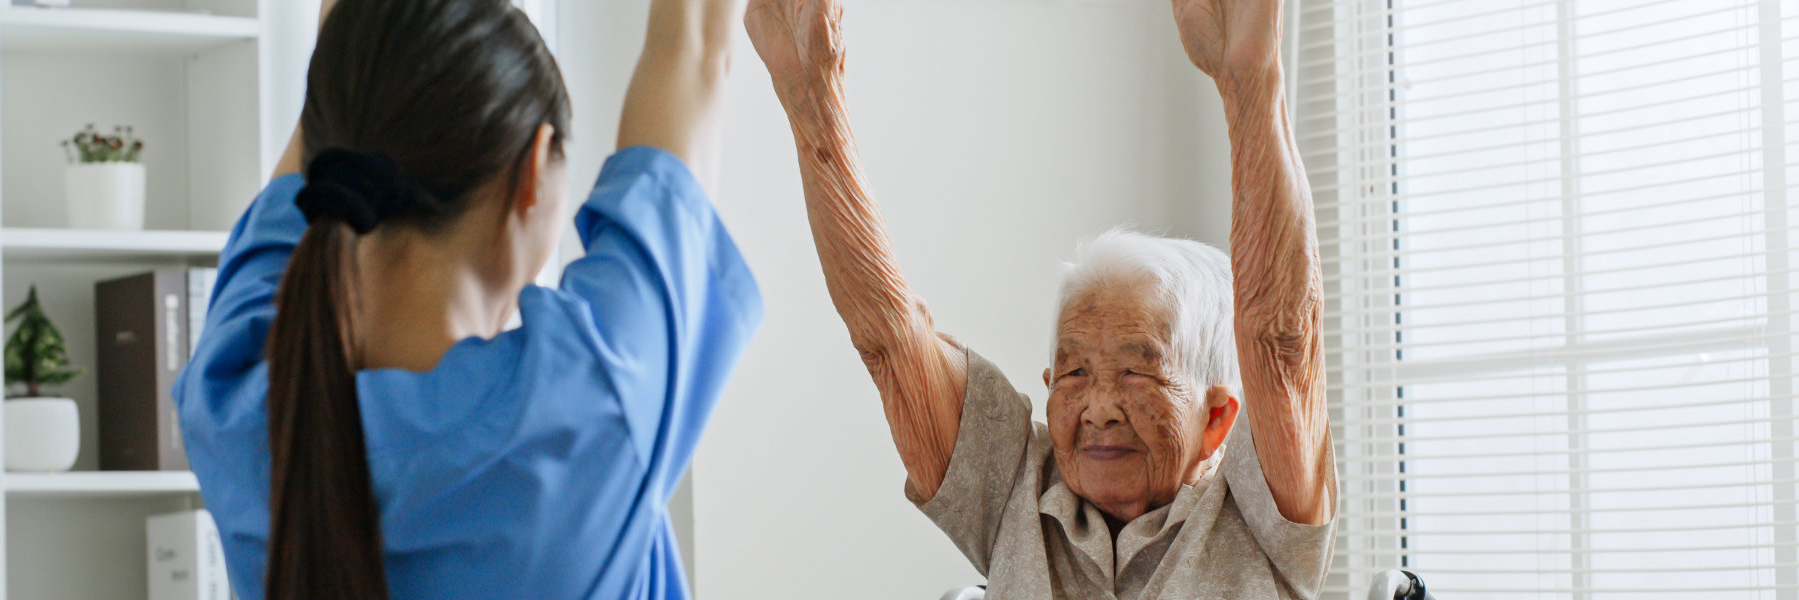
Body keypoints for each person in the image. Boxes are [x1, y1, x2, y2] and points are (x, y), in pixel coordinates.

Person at [745, 0, 1334, 597]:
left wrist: (1251, 86)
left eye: (1136, 372)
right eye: (1074, 372)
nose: (1099, 407)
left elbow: (1281, 341)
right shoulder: (1013, 483)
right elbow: (890, 343)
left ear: (1215, 419)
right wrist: (812, 95)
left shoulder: (1265, 508)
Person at [172, 0, 759, 597]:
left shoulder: (233, 403)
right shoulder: (586, 399)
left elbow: (343, 99)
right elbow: (689, 50)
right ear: (534, 167)